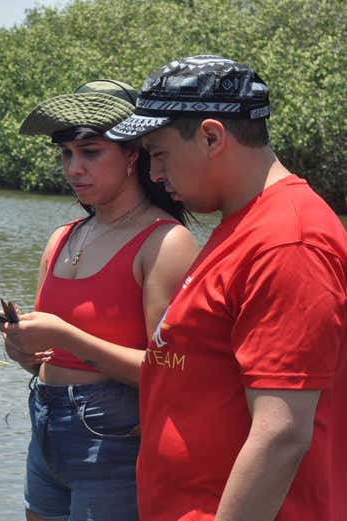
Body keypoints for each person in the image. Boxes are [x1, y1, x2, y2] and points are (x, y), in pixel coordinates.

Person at [102, 55, 347, 520]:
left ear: (212, 137)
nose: (153, 174)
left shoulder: (288, 241)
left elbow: (282, 434)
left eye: (158, 152)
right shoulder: (241, 223)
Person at [2, 80, 200, 521]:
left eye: (91, 152)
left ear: (133, 155)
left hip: (114, 436)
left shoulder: (165, 242)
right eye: (67, 154)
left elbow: (172, 373)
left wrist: (68, 336)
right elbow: (45, 359)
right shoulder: (62, 237)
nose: (74, 168)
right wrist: (20, 349)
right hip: (45, 424)